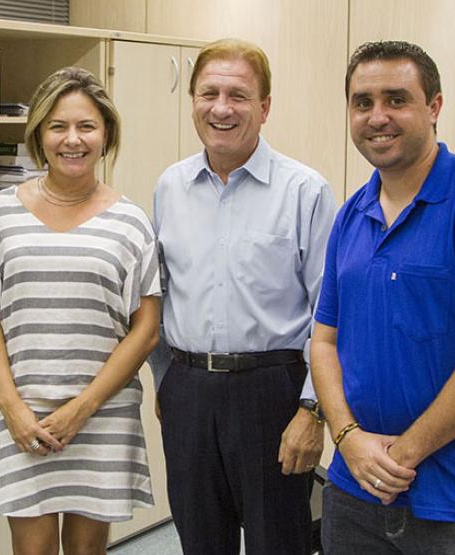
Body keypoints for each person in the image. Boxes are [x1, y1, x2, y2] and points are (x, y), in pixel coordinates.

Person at [312, 40, 455, 554]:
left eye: (396, 99)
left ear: (434, 107)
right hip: (354, 495)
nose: (378, 117)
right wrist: (349, 440)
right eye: (362, 102)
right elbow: (324, 343)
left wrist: (401, 454)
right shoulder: (351, 216)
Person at [0, 66, 161, 555]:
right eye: (58, 126)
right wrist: (10, 407)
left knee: (88, 552)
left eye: (86, 127)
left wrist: (81, 409)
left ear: (106, 134)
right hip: (21, 412)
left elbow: (147, 327)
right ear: (39, 136)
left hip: (101, 415)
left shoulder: (130, 222)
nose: (73, 140)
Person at [150, 38, 336, 555]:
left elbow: (333, 312)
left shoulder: (305, 191)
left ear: (265, 107)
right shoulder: (170, 187)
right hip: (188, 389)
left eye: (238, 95)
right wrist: (167, 382)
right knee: (199, 539)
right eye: (209, 93)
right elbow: (158, 296)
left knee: (279, 541)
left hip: (273, 394)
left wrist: (312, 411)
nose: (222, 108)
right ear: (193, 102)